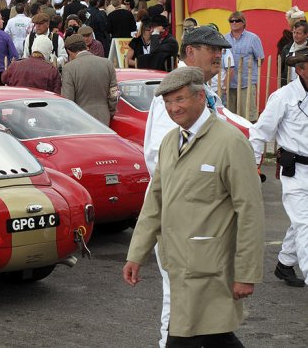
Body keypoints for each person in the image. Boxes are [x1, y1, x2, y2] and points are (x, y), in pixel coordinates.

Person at [123, 66, 264, 348]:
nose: (173, 108)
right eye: (168, 102)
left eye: (180, 99)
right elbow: (155, 203)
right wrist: (136, 254)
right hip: (178, 264)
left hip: (211, 267)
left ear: (201, 98)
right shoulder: (169, 142)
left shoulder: (230, 142)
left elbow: (250, 212)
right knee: (210, 336)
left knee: (194, 336)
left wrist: (246, 274)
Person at [143, 25, 232, 348]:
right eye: (213, 50)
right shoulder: (178, 93)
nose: (220, 55)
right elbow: (162, 157)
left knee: (202, 300)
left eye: (221, 50)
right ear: (191, 52)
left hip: (200, 213)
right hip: (181, 212)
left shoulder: (203, 90)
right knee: (179, 299)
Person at [249, 47, 308, 288]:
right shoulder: (283, 97)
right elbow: (259, 133)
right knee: (306, 225)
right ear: (301, 69)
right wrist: (253, 166)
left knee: (302, 222)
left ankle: (284, 263)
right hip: (294, 171)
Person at [61, 34, 119, 126]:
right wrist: (110, 111)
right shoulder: (107, 63)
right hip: (104, 117)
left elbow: (68, 99)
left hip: (80, 120)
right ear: (86, 47)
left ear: (69, 51)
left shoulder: (69, 68)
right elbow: (114, 94)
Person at [224, 11, 265, 121]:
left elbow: (261, 58)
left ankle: (250, 137)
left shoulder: (253, 38)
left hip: (246, 82)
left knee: (248, 115)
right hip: (229, 84)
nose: (234, 23)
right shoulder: (224, 39)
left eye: (237, 20)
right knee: (230, 115)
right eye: (231, 21)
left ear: (243, 23)